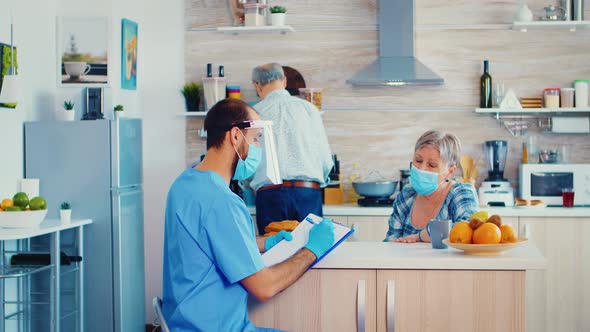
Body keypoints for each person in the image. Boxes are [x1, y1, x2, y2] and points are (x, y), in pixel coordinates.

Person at [161, 98, 335, 331]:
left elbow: (210, 243)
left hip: (183, 322)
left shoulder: (184, 184)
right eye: (255, 139)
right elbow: (265, 287)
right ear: (235, 136)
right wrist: (312, 250)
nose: (257, 149)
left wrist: (264, 243)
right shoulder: (223, 201)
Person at [249, 63, 334, 235]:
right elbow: (326, 160)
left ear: (257, 85)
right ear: (284, 80)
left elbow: (248, 159)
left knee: (274, 253)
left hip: (270, 195)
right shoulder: (309, 109)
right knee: (310, 253)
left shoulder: (254, 113)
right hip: (308, 192)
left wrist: (250, 184)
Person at [384, 130, 479, 243]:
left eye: (432, 165)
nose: (422, 168)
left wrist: (421, 236)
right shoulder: (406, 195)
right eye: (418, 160)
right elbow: (390, 242)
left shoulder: (461, 193)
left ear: (450, 171)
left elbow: (469, 228)